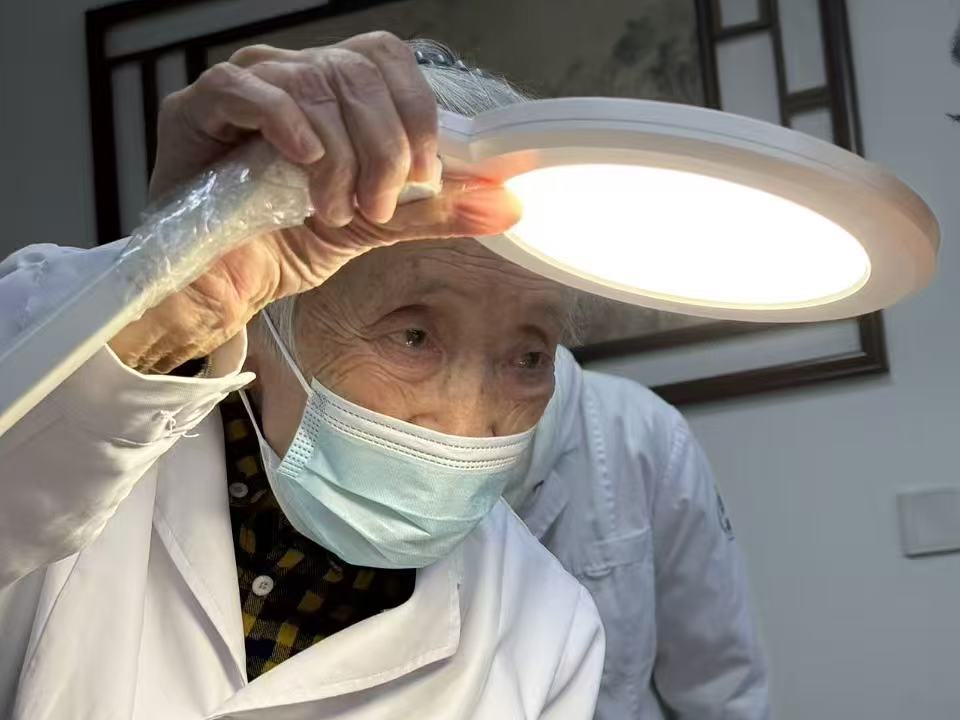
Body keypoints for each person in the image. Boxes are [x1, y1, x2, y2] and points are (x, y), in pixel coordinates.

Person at [0, 34, 605, 719]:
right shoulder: (57, 370)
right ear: (269, 316)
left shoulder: (548, 631)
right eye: (413, 336)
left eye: (528, 357)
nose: (463, 419)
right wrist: (182, 298)